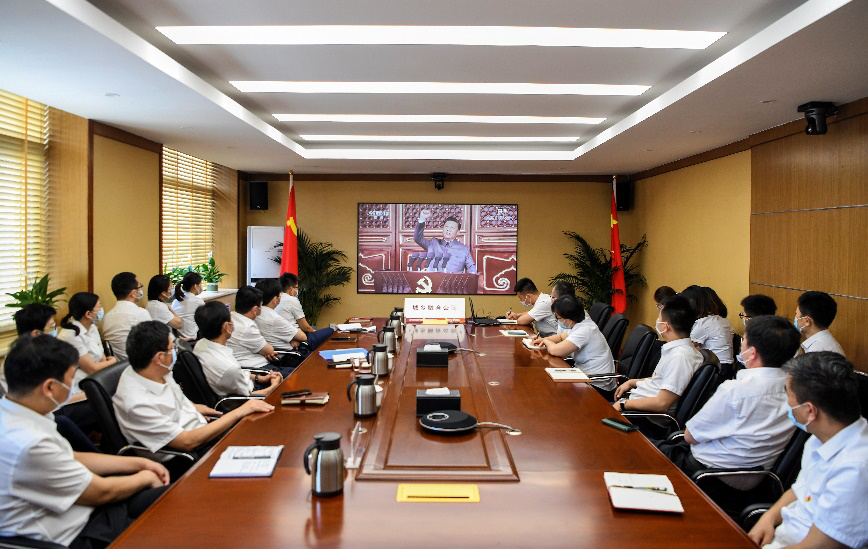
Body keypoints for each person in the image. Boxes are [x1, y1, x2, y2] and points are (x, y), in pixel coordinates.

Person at [0, 334, 169, 548]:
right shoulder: (28, 442)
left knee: (171, 498)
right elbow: (101, 492)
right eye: (71, 378)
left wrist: (138, 463)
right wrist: (145, 477)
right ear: (49, 387)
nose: (73, 385)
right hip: (79, 532)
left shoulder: (17, 411)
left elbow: (69, 457)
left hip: (87, 510)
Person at [654, 316, 801, 511]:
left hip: (707, 476)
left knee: (641, 449)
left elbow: (690, 436)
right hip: (754, 482)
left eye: (744, 340)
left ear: (752, 353)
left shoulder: (736, 391)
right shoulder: (796, 393)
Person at [112, 322, 274, 475]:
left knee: (265, 436)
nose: (175, 352)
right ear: (159, 358)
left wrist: (193, 408)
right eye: (172, 348)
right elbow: (187, 441)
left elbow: (172, 397)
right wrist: (240, 411)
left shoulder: (153, 369)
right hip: (186, 458)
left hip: (202, 431)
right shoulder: (136, 402)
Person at [749, 352, 867, 549]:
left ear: (810, 411)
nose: (787, 404)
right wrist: (768, 518)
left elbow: (816, 546)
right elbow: (801, 490)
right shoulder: (822, 438)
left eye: (789, 397)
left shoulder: (855, 470)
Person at [11, 304, 99, 449]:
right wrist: (88, 395)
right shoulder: (27, 361)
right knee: (101, 405)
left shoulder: (35, 351)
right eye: (52, 326)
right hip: (49, 411)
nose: (56, 330)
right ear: (36, 333)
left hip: (54, 407)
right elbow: (55, 398)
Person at [613, 295, 703, 436]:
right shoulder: (677, 350)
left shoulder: (680, 358)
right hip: (637, 409)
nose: (657, 321)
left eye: (659, 317)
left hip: (645, 420)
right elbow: (661, 380)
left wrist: (624, 405)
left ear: (665, 326)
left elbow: (662, 404)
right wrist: (632, 382)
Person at [533, 295, 617, 400]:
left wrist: (546, 341)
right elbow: (561, 337)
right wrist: (543, 340)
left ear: (569, 318)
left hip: (597, 384)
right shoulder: (580, 324)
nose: (558, 321)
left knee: (555, 394)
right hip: (584, 375)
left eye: (558, 318)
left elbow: (555, 350)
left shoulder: (584, 330)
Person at [193, 302, 282, 397]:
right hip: (250, 395)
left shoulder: (200, 344)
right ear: (226, 326)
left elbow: (239, 374)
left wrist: (260, 378)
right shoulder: (229, 368)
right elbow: (246, 398)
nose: (233, 323)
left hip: (245, 382)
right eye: (231, 319)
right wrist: (274, 387)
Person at [228, 286, 293, 378]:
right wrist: (267, 351)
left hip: (247, 368)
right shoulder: (247, 326)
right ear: (255, 310)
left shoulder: (230, 317)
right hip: (258, 369)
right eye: (261, 306)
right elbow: (269, 351)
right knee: (298, 374)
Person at [58, 292, 117, 392]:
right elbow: (91, 369)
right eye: (99, 306)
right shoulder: (71, 335)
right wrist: (112, 362)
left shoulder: (92, 327)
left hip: (96, 379)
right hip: (78, 386)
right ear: (88, 314)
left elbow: (101, 357)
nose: (102, 309)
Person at [274, 273, 334, 350]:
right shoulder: (291, 300)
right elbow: (305, 327)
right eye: (296, 288)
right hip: (299, 338)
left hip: (285, 338)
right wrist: (315, 332)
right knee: (330, 330)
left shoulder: (275, 300)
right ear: (291, 289)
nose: (297, 291)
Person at [101, 272, 152, 362]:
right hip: (140, 364)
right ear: (133, 293)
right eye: (140, 287)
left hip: (117, 366)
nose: (141, 290)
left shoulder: (107, 317)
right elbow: (153, 344)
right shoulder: (140, 314)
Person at [682, 284, 734, 371]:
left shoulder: (703, 324)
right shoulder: (721, 319)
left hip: (716, 369)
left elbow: (686, 348)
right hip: (727, 367)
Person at [413, 208, 477, 274]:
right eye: (446, 227)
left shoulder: (464, 250)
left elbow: (472, 270)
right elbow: (417, 238)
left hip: (454, 280)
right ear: (443, 229)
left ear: (458, 232)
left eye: (452, 227)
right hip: (433, 280)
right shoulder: (433, 243)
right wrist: (422, 219)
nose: (448, 229)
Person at [254, 278, 307, 351]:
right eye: (280, 295)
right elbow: (303, 337)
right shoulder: (274, 318)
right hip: (288, 353)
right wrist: (293, 338)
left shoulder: (254, 313)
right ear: (275, 299)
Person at [794, 291, 845, 356]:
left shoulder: (816, 351)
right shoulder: (824, 343)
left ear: (807, 321)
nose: (795, 317)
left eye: (797, 313)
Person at [170, 272, 205, 340]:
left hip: (178, 337)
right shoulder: (198, 301)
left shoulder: (176, 301)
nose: (201, 287)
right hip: (191, 338)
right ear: (195, 286)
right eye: (200, 284)